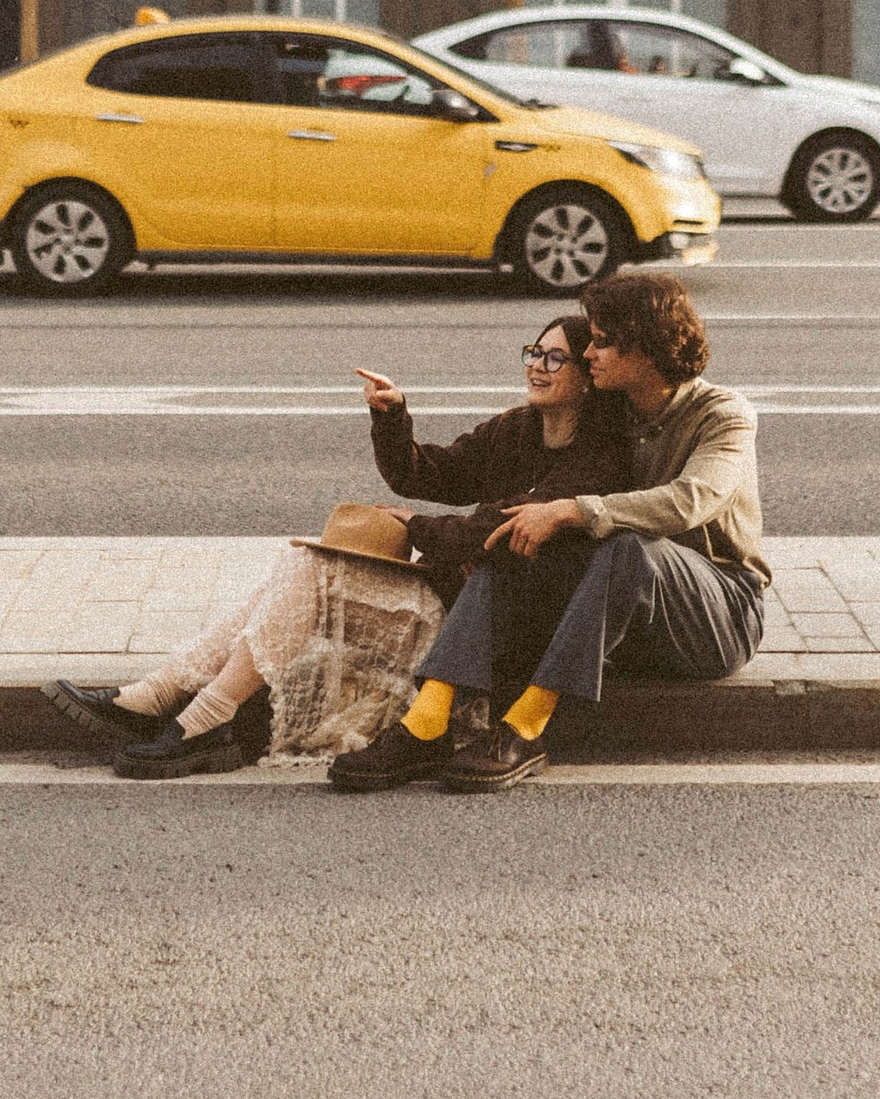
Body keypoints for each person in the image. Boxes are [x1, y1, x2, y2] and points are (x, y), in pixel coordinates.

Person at [44, 319, 631, 783]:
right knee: (305, 566)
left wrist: (416, 526)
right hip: (446, 596)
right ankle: (167, 698)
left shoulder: (599, 461)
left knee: (312, 575)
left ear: (587, 377)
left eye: (555, 358)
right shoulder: (516, 430)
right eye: (533, 352)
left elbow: (496, 534)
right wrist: (392, 417)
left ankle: (196, 714)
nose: (536, 365)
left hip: (479, 636)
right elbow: (423, 473)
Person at [331, 267, 766, 799]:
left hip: (716, 613)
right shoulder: (612, 412)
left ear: (648, 351)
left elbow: (691, 500)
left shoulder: (724, 414)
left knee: (626, 543)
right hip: (627, 617)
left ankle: (527, 727)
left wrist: (569, 511)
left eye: (603, 343)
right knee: (522, 534)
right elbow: (451, 475)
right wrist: (395, 420)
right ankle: (428, 720)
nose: (588, 354)